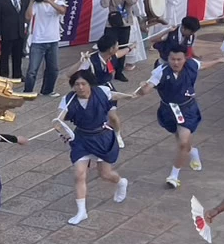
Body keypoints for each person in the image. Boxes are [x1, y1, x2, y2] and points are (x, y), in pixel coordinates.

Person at [55, 70, 127, 227]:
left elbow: (115, 95)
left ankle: (121, 182)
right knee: (79, 174)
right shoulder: (67, 100)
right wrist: (61, 129)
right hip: (81, 139)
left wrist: (132, 95)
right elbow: (58, 119)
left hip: (101, 137)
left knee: (105, 174)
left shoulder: (102, 91)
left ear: (90, 84)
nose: (80, 87)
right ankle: (81, 211)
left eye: (83, 84)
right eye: (76, 84)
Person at [136, 47, 202, 188]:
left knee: (183, 142)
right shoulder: (160, 71)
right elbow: (147, 89)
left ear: (185, 59)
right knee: (181, 141)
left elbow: (204, 65)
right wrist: (142, 88)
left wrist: (219, 60)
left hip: (187, 109)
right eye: (173, 59)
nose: (176, 63)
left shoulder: (192, 65)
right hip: (169, 110)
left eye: (179, 59)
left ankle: (174, 176)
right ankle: (193, 152)